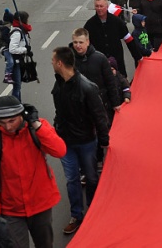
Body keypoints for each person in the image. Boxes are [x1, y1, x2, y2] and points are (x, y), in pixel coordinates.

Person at [0, 96, 66, 248]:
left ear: (21, 115)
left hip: (41, 204)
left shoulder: (37, 128)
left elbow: (60, 151)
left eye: (11, 121)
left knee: (45, 244)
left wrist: (36, 124)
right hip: (11, 209)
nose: (7, 127)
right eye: (2, 123)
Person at [51, 46, 110, 234]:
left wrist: (104, 142)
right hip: (66, 142)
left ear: (60, 63)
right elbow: (59, 112)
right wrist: (57, 129)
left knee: (92, 178)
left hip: (86, 142)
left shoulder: (87, 87)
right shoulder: (58, 84)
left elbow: (100, 116)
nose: (51, 63)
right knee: (72, 180)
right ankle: (76, 215)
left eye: (53, 60)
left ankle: (92, 210)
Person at [71, 28, 122, 123]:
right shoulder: (69, 61)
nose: (78, 46)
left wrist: (115, 103)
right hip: (80, 107)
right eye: (75, 42)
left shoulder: (100, 58)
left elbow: (110, 82)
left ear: (87, 42)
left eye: (81, 42)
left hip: (101, 104)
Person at [84, 0, 143, 78]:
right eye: (97, 6)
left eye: (101, 6)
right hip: (99, 62)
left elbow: (129, 40)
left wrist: (138, 57)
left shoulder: (117, 22)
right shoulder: (89, 25)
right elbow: (86, 45)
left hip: (117, 61)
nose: (99, 8)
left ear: (107, 7)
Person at [8, 11, 33, 102]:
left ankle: (19, 104)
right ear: (22, 20)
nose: (28, 21)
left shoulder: (22, 30)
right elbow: (12, 49)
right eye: (26, 19)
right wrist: (25, 49)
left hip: (20, 61)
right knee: (17, 85)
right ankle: (15, 105)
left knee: (18, 85)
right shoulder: (17, 32)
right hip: (16, 62)